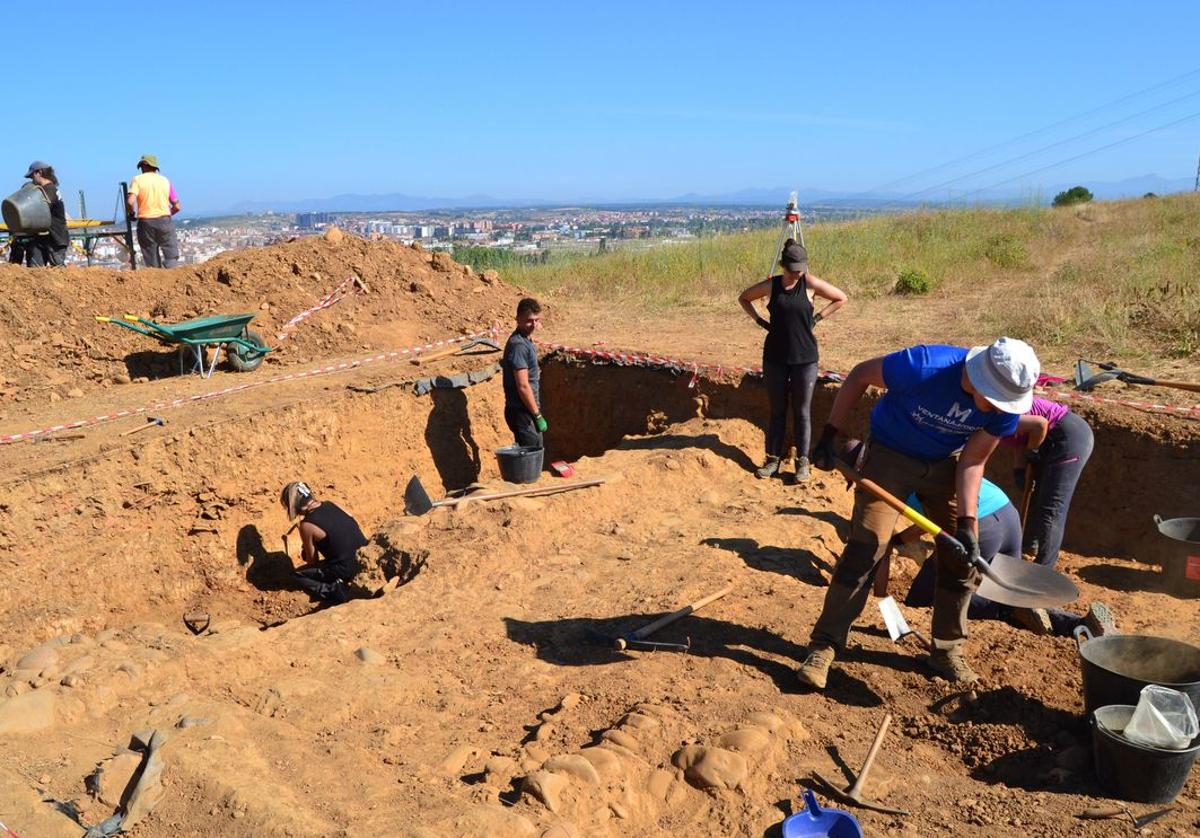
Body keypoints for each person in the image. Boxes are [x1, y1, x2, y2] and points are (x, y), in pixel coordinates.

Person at [796, 337, 1040, 689]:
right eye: (996, 399)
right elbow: (860, 374)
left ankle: (945, 650)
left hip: (947, 463)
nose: (998, 407)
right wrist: (829, 433)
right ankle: (825, 645)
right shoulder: (924, 365)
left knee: (960, 556)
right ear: (980, 378)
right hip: (889, 455)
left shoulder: (1006, 410)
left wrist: (968, 524)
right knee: (867, 546)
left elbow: (973, 461)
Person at [738, 239, 847, 482]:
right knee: (777, 411)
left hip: (805, 358)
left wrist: (817, 317)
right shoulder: (771, 285)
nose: (798, 273)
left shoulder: (809, 283)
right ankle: (772, 461)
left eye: (801, 268)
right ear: (783, 266)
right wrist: (759, 321)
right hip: (775, 357)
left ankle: (802, 463)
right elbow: (744, 298)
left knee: (802, 412)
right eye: (794, 269)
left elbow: (841, 298)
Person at [1003, 396, 1094, 569]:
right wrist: (1019, 469)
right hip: (1048, 438)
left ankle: (1044, 567)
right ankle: (1029, 545)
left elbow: (1039, 425)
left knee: (1052, 506)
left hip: (1067, 436)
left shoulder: (997, 413)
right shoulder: (991, 412)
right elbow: (1018, 440)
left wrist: (1033, 449)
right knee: (1038, 497)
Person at [280, 481, 367, 604]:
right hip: (365, 557)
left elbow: (312, 561)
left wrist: (306, 546)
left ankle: (335, 591)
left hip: (347, 569)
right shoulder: (333, 503)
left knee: (298, 575)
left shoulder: (307, 525)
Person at [502, 297, 547, 448]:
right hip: (521, 411)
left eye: (536, 320)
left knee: (534, 450)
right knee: (531, 453)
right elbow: (522, 385)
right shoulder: (519, 346)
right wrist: (537, 415)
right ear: (518, 319)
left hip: (525, 410)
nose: (533, 324)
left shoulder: (526, 340)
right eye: (529, 320)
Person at [126, 154, 181, 268]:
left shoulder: (137, 179)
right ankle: (172, 278)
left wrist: (131, 213)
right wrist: (166, 213)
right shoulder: (165, 180)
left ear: (143, 166)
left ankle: (156, 281)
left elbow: (130, 202)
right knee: (171, 254)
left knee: (151, 255)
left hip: (146, 222)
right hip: (165, 220)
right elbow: (177, 206)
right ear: (155, 167)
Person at [10, 161, 69, 267]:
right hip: (43, 237)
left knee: (57, 269)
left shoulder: (49, 191)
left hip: (54, 238)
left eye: (32, 176)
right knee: (36, 273)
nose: (32, 180)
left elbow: (37, 211)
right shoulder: (46, 190)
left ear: (39, 172)